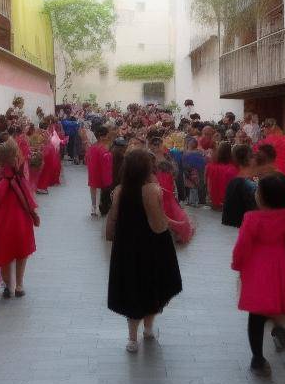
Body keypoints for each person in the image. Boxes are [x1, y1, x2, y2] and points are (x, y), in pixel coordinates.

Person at [106, 148, 182, 353]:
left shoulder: (120, 190)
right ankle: (148, 329)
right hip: (151, 246)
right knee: (152, 287)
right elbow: (158, 223)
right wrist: (178, 224)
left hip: (126, 246)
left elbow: (113, 219)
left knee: (131, 288)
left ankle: (132, 338)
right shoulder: (152, 189)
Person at [232, 173, 285, 377]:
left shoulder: (252, 219)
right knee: (278, 303)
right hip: (280, 265)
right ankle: (281, 329)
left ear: (261, 197)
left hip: (257, 268)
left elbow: (242, 246)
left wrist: (237, 264)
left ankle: (258, 357)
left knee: (256, 314)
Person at [0, 139, 40, 298]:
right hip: (21, 223)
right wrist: (34, 215)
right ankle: (19, 285)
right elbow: (29, 200)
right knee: (21, 253)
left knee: (6, 255)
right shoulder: (19, 180)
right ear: (15, 159)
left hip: (2, 223)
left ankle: (8, 286)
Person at [222, 145, 257, 227]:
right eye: (253, 156)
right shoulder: (249, 184)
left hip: (234, 222)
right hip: (245, 223)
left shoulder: (234, 180)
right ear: (249, 160)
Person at [86, 127, 112, 216]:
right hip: (102, 170)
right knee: (103, 188)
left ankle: (93, 207)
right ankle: (101, 204)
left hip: (93, 169)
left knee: (93, 187)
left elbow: (88, 158)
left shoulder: (92, 147)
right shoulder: (103, 148)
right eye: (106, 136)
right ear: (102, 137)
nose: (107, 137)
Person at [205, 141, 238, 210]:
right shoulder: (233, 168)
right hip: (227, 203)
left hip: (213, 202)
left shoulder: (210, 167)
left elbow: (206, 183)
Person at [182, 137, 205, 206]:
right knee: (193, 187)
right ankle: (192, 201)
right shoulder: (199, 152)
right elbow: (202, 164)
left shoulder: (187, 153)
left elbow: (184, 163)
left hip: (190, 172)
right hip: (193, 172)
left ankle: (193, 201)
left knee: (192, 187)